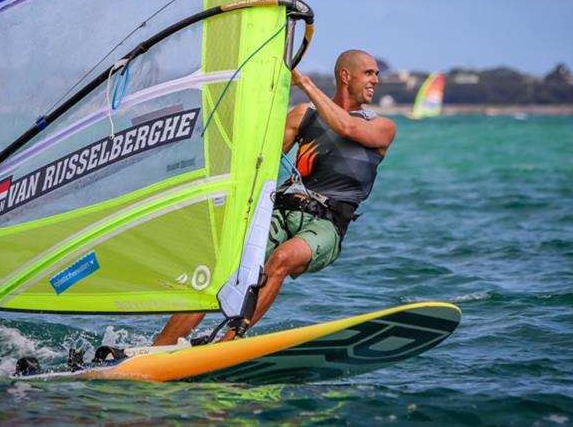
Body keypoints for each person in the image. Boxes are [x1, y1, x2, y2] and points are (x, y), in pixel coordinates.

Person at [153, 49, 396, 345]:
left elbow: (345, 126)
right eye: (370, 73)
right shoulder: (303, 117)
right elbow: (259, 161)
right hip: (283, 212)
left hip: (325, 226)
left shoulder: (382, 127)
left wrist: (303, 82)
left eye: (377, 74)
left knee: (281, 258)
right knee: (223, 265)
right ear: (346, 76)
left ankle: (228, 343)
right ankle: (159, 348)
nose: (377, 80)